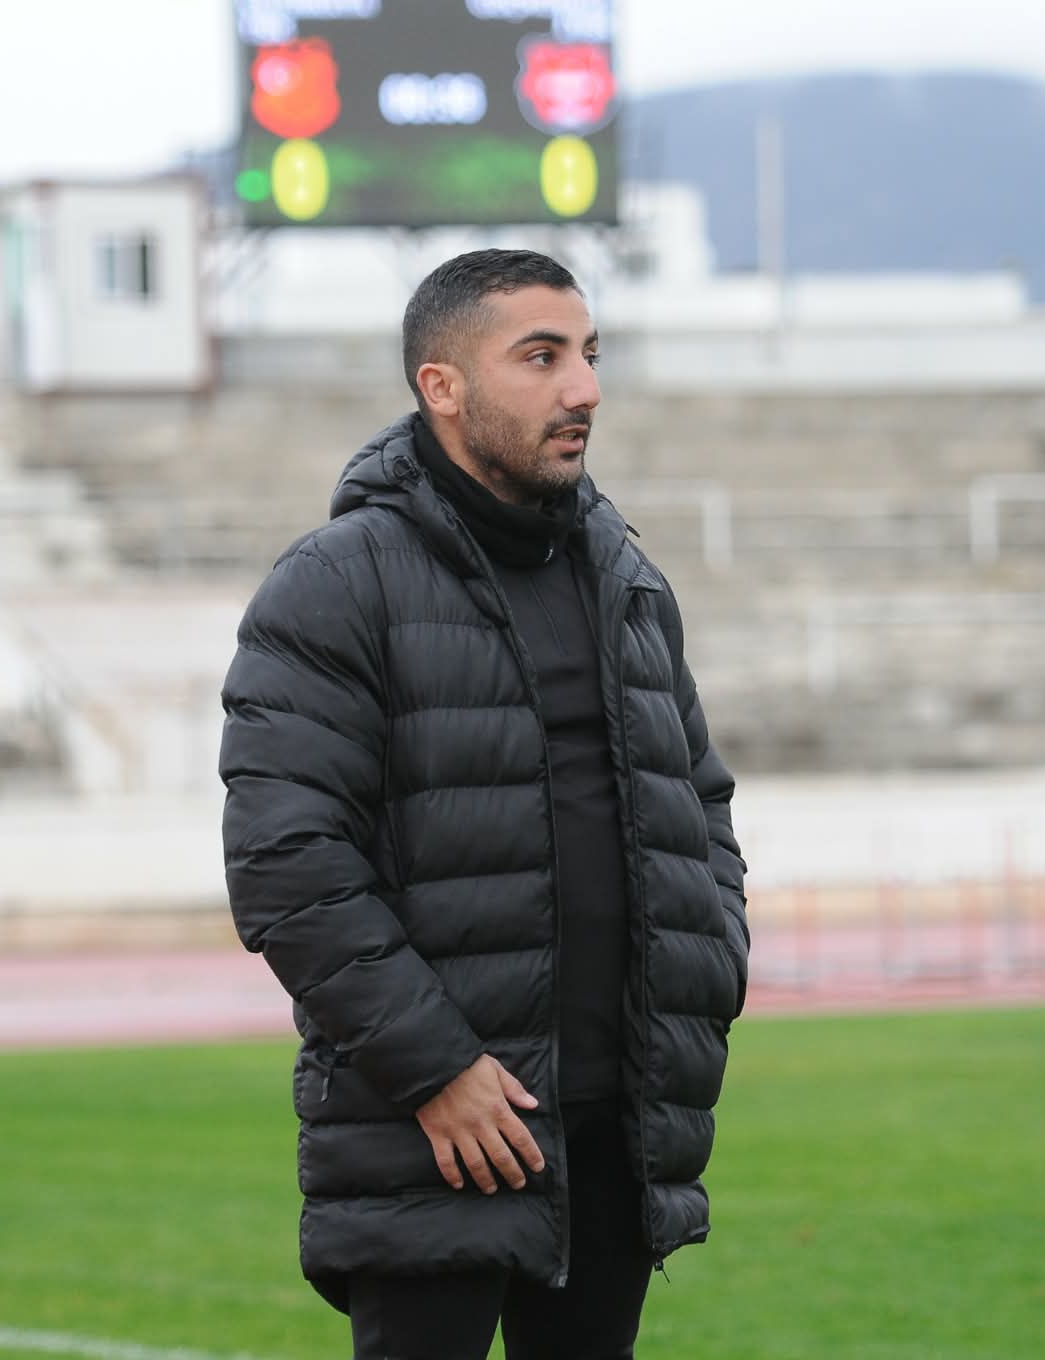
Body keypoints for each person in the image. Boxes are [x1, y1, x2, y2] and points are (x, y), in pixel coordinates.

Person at [220, 248, 748, 1359]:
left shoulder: (626, 579)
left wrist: (710, 972)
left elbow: (698, 804)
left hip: (617, 1130)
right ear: (443, 386)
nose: (584, 388)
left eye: (589, 354)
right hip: (434, 1131)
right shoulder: (337, 582)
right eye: (541, 357)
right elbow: (287, 862)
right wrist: (439, 1073)